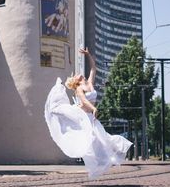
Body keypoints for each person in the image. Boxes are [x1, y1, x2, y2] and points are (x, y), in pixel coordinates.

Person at [44, 48, 132, 179]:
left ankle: (103, 161)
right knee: (90, 140)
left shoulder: (90, 83)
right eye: (75, 75)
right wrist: (94, 108)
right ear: (76, 81)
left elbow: (93, 69)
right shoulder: (79, 89)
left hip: (91, 117)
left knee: (103, 138)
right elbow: (84, 102)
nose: (78, 74)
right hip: (83, 116)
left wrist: (88, 55)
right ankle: (95, 163)